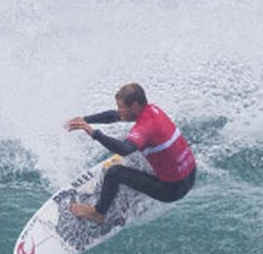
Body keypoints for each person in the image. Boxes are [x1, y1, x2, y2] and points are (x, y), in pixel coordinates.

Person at [63, 83, 196, 224]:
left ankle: (98, 213)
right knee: (139, 148)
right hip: (191, 175)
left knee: (115, 172)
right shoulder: (153, 110)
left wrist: (94, 133)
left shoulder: (145, 127)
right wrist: (85, 119)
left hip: (172, 190)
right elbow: (114, 116)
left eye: (121, 107)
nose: (119, 111)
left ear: (135, 106)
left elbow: (123, 150)